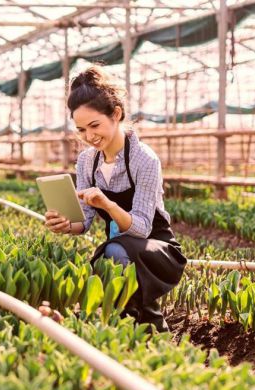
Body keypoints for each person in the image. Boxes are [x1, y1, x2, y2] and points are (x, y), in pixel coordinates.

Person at [44, 66, 186, 332]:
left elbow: (142, 229)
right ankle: (131, 329)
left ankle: (150, 326)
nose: (89, 136)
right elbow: (84, 221)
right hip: (120, 248)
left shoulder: (144, 159)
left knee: (114, 251)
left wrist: (108, 205)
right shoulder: (87, 161)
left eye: (95, 125)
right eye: (81, 130)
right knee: (111, 254)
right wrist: (65, 224)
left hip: (156, 249)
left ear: (116, 114)